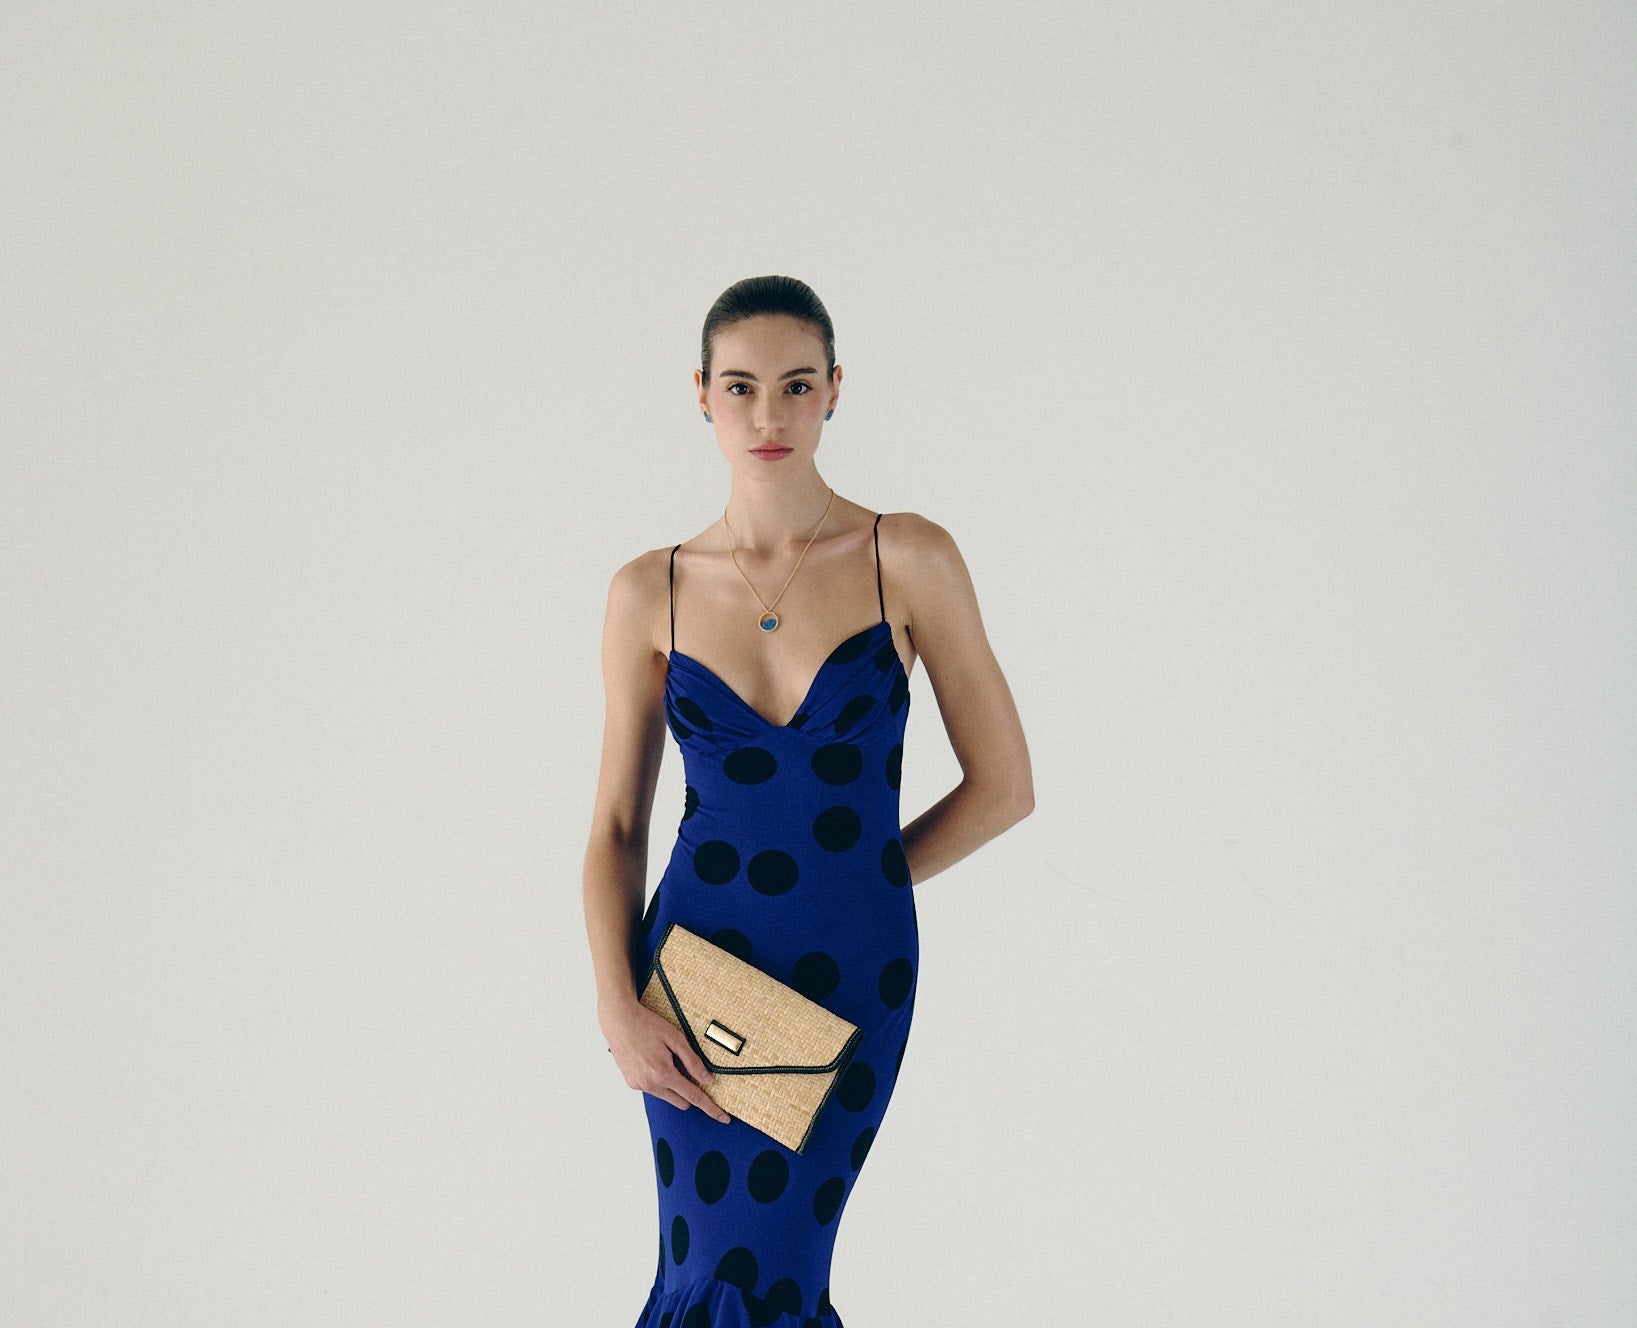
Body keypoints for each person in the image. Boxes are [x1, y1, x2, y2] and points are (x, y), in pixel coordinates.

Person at [582, 275, 1034, 1327]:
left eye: (794, 385)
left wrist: (856, 881)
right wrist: (615, 1002)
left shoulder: (904, 556)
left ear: (834, 389)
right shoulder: (649, 590)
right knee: (709, 1268)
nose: (768, 415)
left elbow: (1004, 787)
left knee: (774, 1270)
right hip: (694, 968)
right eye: (740, 387)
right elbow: (615, 826)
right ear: (701, 394)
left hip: (852, 964)